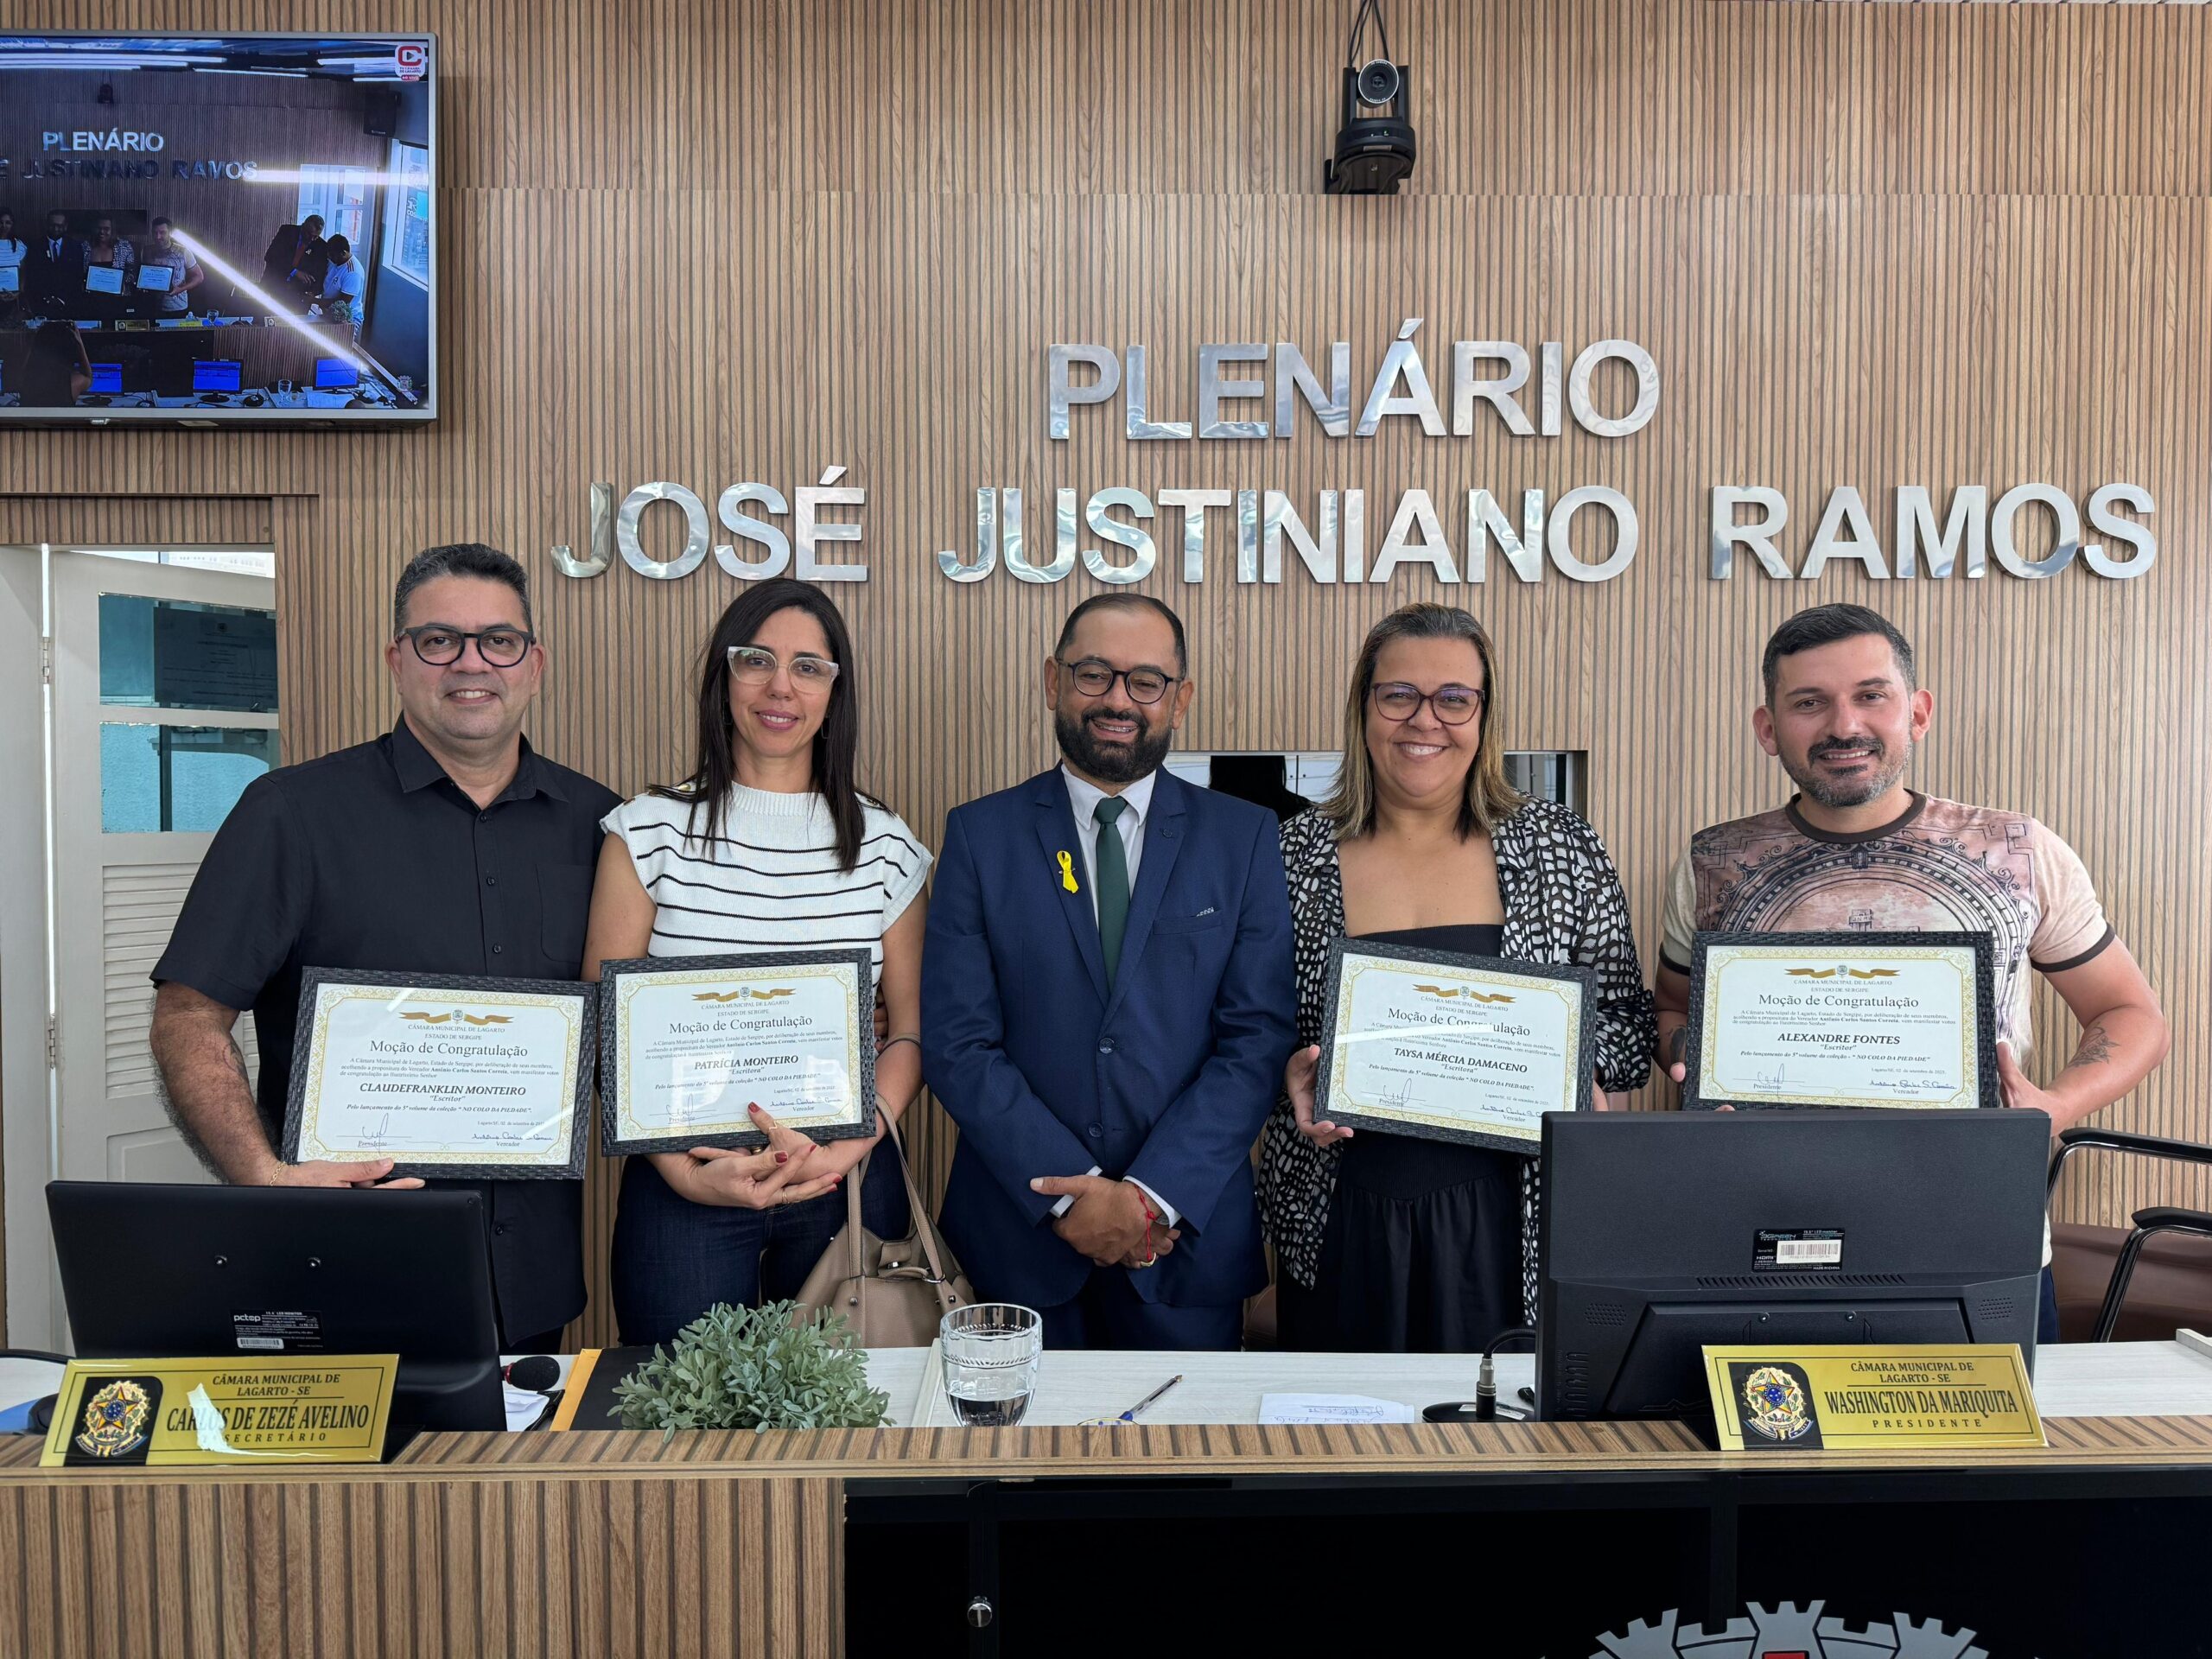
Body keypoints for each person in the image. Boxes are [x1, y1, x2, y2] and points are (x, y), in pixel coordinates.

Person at [1652, 603, 2170, 1344]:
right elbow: (1672, 1010)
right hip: (1757, 1240)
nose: (1844, 726)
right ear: (1769, 729)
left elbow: (2132, 1014)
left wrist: (2051, 1108)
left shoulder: (2019, 850)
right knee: (1760, 1456)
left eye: (1871, 695)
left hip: (1975, 1239)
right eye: (1810, 703)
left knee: (1980, 1462)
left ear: (1918, 712)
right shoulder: (1711, 861)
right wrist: (1687, 1068)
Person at [149, 543, 618, 1352]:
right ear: (398, 661)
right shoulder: (291, 815)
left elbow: (632, 1034)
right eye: (440, 640)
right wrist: (264, 1181)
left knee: (516, 1485)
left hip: (531, 1281)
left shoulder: (606, 827)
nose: (471, 663)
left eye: (498, 640)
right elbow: (188, 1015)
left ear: (534, 664)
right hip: (341, 1268)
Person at [1261, 604, 1656, 1351]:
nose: (1425, 721)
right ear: (1364, 707)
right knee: (1346, 1450)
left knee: (1499, 1445)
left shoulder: (1557, 847)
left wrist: (1578, 1072)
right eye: (1398, 694)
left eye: (1454, 699)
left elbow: (1629, 1034)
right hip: (1341, 1208)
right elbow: (1247, 1032)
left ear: (1484, 714)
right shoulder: (1291, 854)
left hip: (1514, 1214)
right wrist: (1285, 1073)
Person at [922, 594, 1296, 1351]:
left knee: (1185, 1468)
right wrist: (1071, 1198)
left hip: (1184, 1245)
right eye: (1095, 674)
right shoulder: (978, 835)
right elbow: (959, 1043)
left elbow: (1256, 1038)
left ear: (1180, 700)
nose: (1118, 699)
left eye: (1145, 681)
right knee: (1017, 1471)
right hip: (1019, 1247)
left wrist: (1150, 1198)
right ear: (1054, 681)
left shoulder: (1244, 838)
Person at [585, 578, 931, 1346]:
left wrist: (859, 1137)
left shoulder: (885, 846)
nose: (782, 687)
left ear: (836, 691)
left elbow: (911, 1031)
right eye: (757, 660)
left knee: (850, 1428)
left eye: (810, 667)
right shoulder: (646, 833)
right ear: (722, 674)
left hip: (844, 1186)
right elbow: (606, 1032)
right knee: (687, 1433)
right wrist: (683, 1170)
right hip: (684, 1193)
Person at [133, 218, 202, 317]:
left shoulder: (183, 251)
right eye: (155, 233)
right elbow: (141, 275)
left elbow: (199, 277)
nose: (158, 237)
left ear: (170, 232)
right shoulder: (145, 251)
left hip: (177, 307)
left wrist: (180, 289)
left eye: (162, 233)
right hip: (152, 307)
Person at [21, 320, 91, 407]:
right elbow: (88, 378)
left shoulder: (24, 379)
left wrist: (34, 340)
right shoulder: (73, 382)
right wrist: (80, 343)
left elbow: (25, 366)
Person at [261, 213, 326, 306]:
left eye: (316, 236)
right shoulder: (287, 232)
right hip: (273, 285)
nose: (312, 239)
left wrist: (313, 292)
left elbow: (319, 274)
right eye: (310, 235)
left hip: (296, 296)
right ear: (303, 226)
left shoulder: (321, 246)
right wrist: (294, 272)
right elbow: (270, 256)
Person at [26, 210, 85, 311]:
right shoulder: (34, 246)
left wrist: (62, 299)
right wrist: (47, 298)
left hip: (68, 305)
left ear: (65, 226)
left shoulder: (75, 247)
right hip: (41, 304)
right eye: (52, 225)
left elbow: (77, 277)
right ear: (47, 225)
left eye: (59, 226)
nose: (56, 229)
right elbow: (33, 277)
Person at [80, 215, 134, 321]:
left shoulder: (124, 246)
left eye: (106, 229)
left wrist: (122, 282)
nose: (101, 232)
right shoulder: (85, 246)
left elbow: (132, 273)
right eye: (99, 228)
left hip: (118, 301)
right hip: (91, 301)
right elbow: (78, 272)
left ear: (112, 230)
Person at [315, 234, 365, 327]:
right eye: (329, 254)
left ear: (344, 253)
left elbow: (342, 303)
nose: (330, 257)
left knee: (340, 340)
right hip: (330, 312)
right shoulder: (335, 260)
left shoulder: (353, 273)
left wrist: (314, 300)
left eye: (333, 255)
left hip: (347, 318)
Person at [0, 210, 29, 323]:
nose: (4, 226)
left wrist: (18, 292)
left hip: (14, 298)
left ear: (12, 224)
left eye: (8, 223)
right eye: (1, 222)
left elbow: (23, 272)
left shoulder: (19, 245)